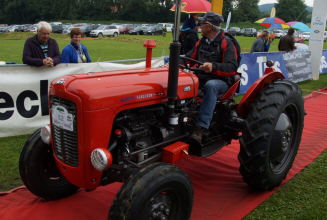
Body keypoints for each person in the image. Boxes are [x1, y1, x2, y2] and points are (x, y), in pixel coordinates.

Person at [187, 12, 240, 142]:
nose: (199, 26)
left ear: (209, 27)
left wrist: (213, 66)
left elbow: (232, 67)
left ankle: (201, 127)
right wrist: (174, 61)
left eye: (202, 23)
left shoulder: (226, 42)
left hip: (222, 82)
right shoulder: (201, 42)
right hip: (201, 78)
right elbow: (188, 57)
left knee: (211, 86)